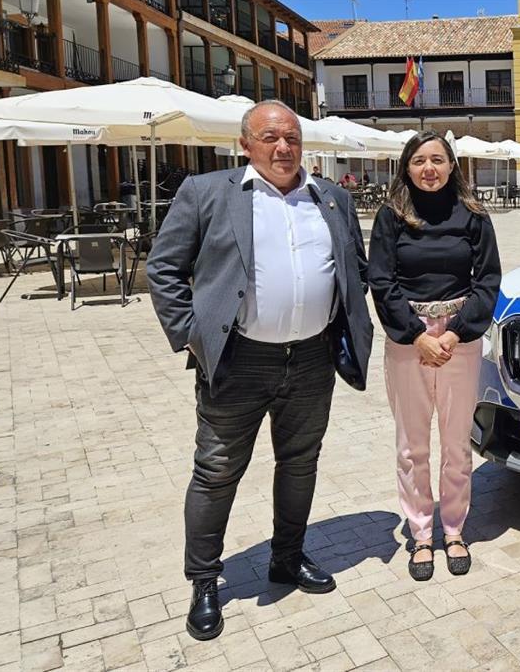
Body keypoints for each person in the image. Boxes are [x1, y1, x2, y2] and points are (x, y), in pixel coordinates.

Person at [146, 99, 375, 641]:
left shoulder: (333, 198)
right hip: (238, 361)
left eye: (292, 137)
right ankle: (205, 581)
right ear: (245, 145)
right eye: (270, 137)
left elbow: (356, 269)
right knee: (217, 470)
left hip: (312, 358)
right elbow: (164, 268)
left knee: (300, 463)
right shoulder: (206, 193)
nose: (283, 147)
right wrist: (194, 336)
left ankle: (287, 557)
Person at [367, 131, 500, 581]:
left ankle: (455, 529)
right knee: (412, 446)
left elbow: (488, 280)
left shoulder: (473, 214)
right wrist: (415, 335)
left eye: (438, 160)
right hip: (409, 341)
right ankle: (421, 532)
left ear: (451, 166)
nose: (429, 169)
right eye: (420, 160)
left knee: (457, 442)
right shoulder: (392, 215)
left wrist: (456, 333)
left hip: (459, 340)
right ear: (407, 167)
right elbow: (381, 280)